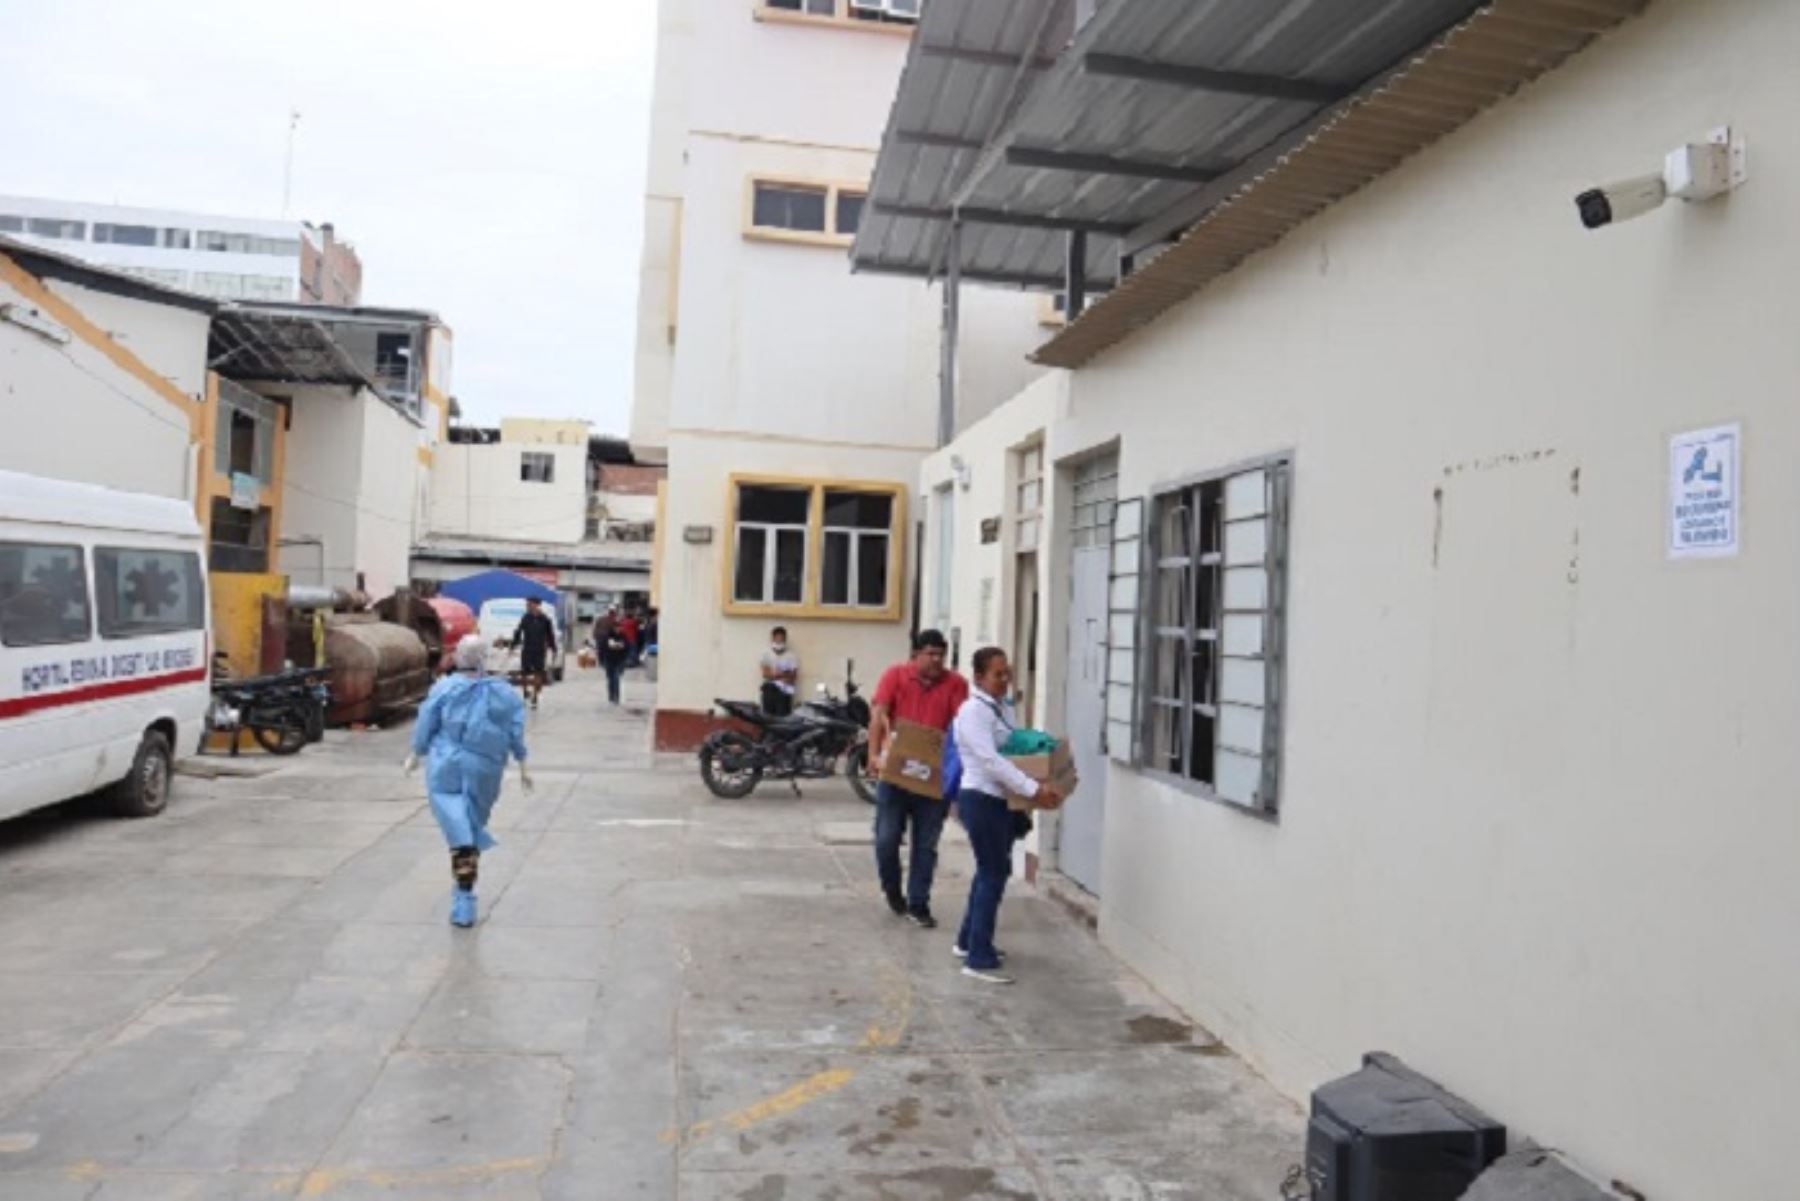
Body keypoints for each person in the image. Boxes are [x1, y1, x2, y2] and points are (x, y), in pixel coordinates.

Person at [405, 635, 534, 927]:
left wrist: (417, 752)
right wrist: (523, 762)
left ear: (458, 656)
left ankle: (464, 897)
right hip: (485, 767)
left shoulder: (444, 688)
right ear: (484, 657)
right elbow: (515, 730)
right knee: (471, 826)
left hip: (446, 765)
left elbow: (427, 721)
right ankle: (465, 892)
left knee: (458, 829)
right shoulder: (502, 693)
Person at [951, 647, 1057, 984]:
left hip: (999, 800)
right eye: (997, 675)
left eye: (1006, 673)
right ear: (979, 677)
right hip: (981, 798)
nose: (1005, 680)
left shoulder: (1001, 709)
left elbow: (1012, 745)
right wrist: (1032, 789)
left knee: (989, 872)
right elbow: (991, 761)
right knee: (993, 873)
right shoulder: (973, 713)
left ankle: (969, 942)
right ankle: (978, 958)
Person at [867, 628, 969, 928]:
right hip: (896, 774)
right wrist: (873, 755)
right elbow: (879, 714)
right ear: (916, 654)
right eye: (930, 654)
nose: (936, 660)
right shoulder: (895, 676)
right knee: (886, 839)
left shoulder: (956, 684)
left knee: (925, 844)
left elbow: (961, 726)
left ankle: (918, 903)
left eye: (941, 655)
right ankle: (891, 888)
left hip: (932, 776)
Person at [508, 596, 557, 710]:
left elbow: (550, 635)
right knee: (524, 673)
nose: (527, 606)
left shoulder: (545, 619)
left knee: (538, 673)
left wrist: (553, 648)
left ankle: (535, 697)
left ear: (536, 605)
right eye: (527, 605)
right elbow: (518, 631)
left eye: (529, 604)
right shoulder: (526, 618)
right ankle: (525, 692)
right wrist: (513, 645)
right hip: (527, 649)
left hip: (540, 650)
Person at [759, 626, 799, 716]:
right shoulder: (766, 654)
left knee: (783, 720)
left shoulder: (791, 656)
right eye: (777, 639)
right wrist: (784, 674)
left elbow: (793, 677)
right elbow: (765, 674)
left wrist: (775, 674)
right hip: (769, 691)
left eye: (781, 639)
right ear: (772, 639)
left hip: (784, 693)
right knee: (767, 718)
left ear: (785, 640)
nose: (779, 641)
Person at [596, 616, 629, 705]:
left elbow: (627, 648)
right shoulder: (607, 637)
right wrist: (601, 659)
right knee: (610, 679)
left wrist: (625, 658)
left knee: (616, 678)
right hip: (609, 660)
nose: (618, 629)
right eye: (616, 627)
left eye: (619, 627)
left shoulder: (623, 636)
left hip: (619, 661)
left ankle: (616, 697)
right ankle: (611, 695)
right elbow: (602, 649)